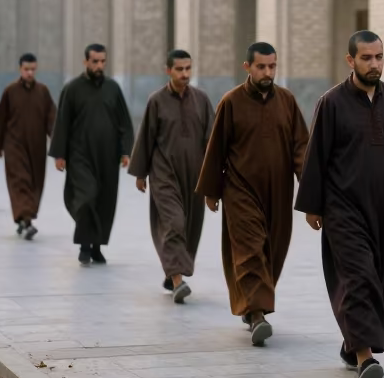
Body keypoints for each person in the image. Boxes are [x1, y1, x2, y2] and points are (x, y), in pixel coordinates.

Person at [296, 30, 384, 378]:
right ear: (350, 61)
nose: (375, 64)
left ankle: (353, 344)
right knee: (358, 277)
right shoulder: (331, 102)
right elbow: (316, 155)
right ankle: (366, 357)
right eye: (367, 58)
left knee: (380, 281)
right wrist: (312, 205)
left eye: (379, 57)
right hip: (343, 210)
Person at [197, 42, 309, 345]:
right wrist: (211, 190)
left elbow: (301, 147)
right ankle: (258, 314)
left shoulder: (286, 101)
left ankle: (252, 304)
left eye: (272, 66)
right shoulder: (231, 101)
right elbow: (216, 147)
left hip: (279, 193)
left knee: (272, 249)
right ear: (247, 67)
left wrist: (310, 188)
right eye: (261, 66)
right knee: (249, 249)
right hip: (240, 191)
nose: (268, 72)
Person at [128, 49, 215, 304]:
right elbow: (146, 137)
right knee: (174, 222)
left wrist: (215, 176)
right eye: (179, 69)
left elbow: (212, 140)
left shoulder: (201, 100)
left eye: (188, 69)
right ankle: (178, 282)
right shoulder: (156, 101)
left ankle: (172, 271)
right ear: (168, 70)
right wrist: (140, 173)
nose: (185, 74)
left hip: (195, 175)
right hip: (164, 174)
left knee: (190, 227)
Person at [49, 44, 134, 266]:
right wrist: (60, 154)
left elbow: (124, 122)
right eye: (95, 61)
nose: (99, 66)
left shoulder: (113, 89)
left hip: (108, 156)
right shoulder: (72, 89)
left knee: (105, 199)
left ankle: (96, 247)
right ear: (85, 61)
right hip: (80, 155)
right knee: (86, 197)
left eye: (103, 61)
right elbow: (63, 122)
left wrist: (126, 151)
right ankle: (85, 245)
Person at [0, 53, 57, 240]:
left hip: (36, 146)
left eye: (33, 69)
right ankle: (27, 221)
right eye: (26, 69)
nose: (29, 73)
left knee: (35, 182)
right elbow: (1, 118)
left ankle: (23, 217)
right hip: (14, 145)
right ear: (20, 69)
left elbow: (52, 118)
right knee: (20, 181)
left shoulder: (43, 91)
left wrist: (58, 142)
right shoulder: (10, 91)